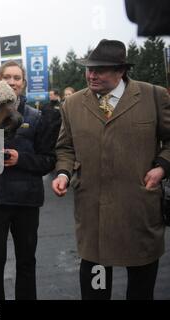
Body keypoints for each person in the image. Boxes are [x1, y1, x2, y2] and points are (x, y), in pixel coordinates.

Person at [52, 39, 170, 300]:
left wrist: (162, 166)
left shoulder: (153, 96)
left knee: (140, 287)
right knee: (96, 286)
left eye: (100, 69)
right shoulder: (72, 105)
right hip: (93, 212)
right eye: (88, 69)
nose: (91, 75)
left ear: (120, 71)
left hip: (138, 208)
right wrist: (63, 173)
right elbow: (65, 148)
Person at [0, 60, 61, 300]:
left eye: (17, 78)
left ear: (23, 83)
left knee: (26, 262)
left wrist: (20, 159)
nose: (12, 82)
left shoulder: (37, 116)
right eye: (7, 77)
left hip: (27, 202)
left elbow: (48, 160)